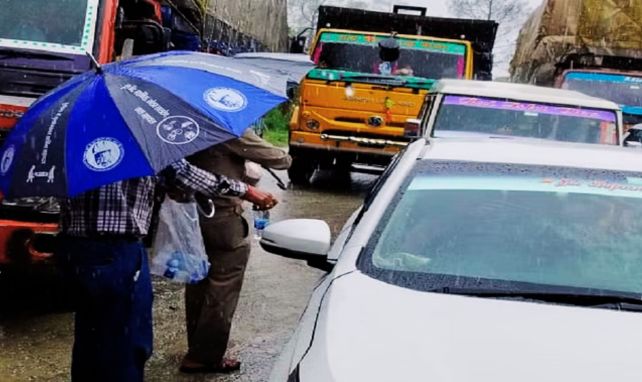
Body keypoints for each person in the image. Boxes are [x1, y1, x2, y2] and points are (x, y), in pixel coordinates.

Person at [55, 159, 276, 382]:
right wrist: (246, 190)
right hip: (118, 251)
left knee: (91, 332)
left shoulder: (72, 144)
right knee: (127, 342)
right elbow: (187, 175)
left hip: (74, 250)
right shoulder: (137, 138)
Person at [180, 128, 291, 374]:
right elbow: (281, 159)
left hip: (191, 214)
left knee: (198, 282)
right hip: (222, 218)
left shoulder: (186, 123)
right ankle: (205, 356)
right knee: (223, 287)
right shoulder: (225, 125)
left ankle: (197, 348)